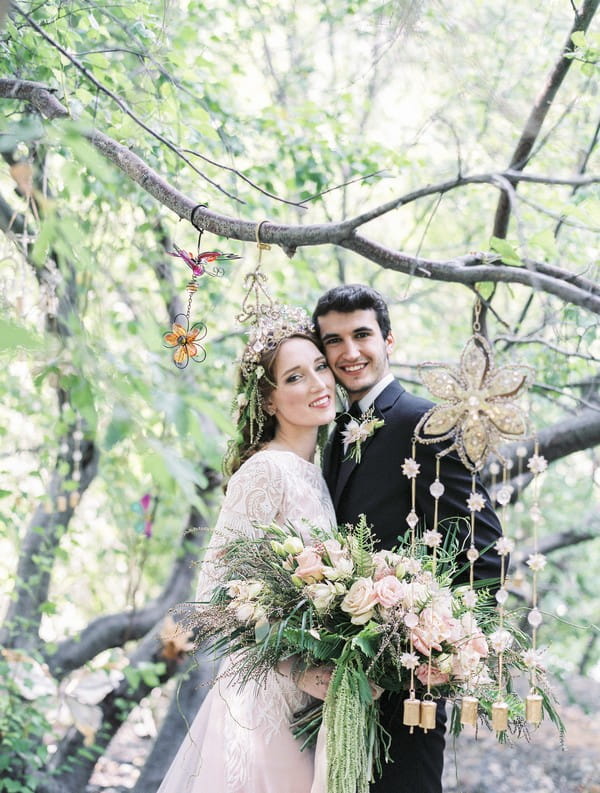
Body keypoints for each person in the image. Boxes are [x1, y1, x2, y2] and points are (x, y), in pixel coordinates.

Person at [312, 284, 504, 793]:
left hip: (408, 687)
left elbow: (481, 547)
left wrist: (439, 655)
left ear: (389, 340)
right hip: (340, 681)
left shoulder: (428, 423)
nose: (349, 353)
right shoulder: (331, 431)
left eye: (361, 335)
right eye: (334, 341)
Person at [157, 307, 337, 793]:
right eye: (296, 376)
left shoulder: (316, 472)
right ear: (270, 400)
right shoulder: (264, 471)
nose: (319, 383)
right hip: (266, 699)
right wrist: (294, 667)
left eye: (321, 366)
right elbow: (212, 597)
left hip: (310, 702)